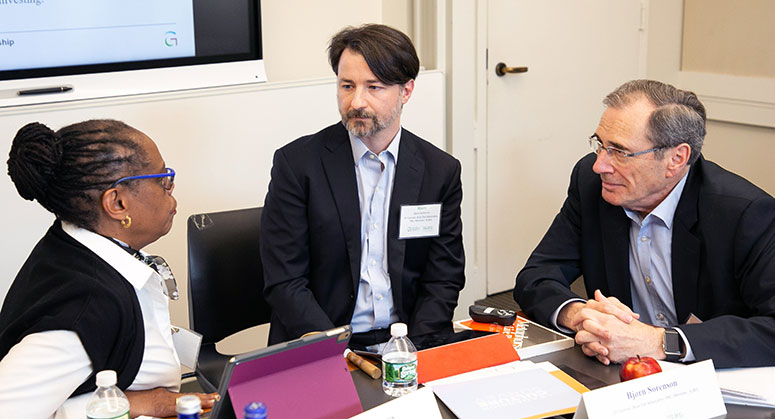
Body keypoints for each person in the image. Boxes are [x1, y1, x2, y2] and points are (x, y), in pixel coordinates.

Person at [514, 79, 775, 369]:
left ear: (676, 158)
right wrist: (580, 315)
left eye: (620, 152)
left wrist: (658, 342)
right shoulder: (592, 186)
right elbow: (536, 276)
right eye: (600, 144)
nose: (600, 164)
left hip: (711, 378)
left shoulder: (744, 214)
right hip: (617, 370)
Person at [260, 24, 465, 350]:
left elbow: (443, 276)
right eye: (347, 86)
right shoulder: (297, 165)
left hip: (407, 341)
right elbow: (285, 281)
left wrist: (415, 348)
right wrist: (331, 349)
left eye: (374, 87)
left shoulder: (439, 171)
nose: (357, 101)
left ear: (406, 91)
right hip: (322, 342)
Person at [0, 120, 217, 418]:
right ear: (117, 203)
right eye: (162, 178)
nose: (171, 186)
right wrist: (138, 404)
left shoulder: (74, 244)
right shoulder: (85, 306)